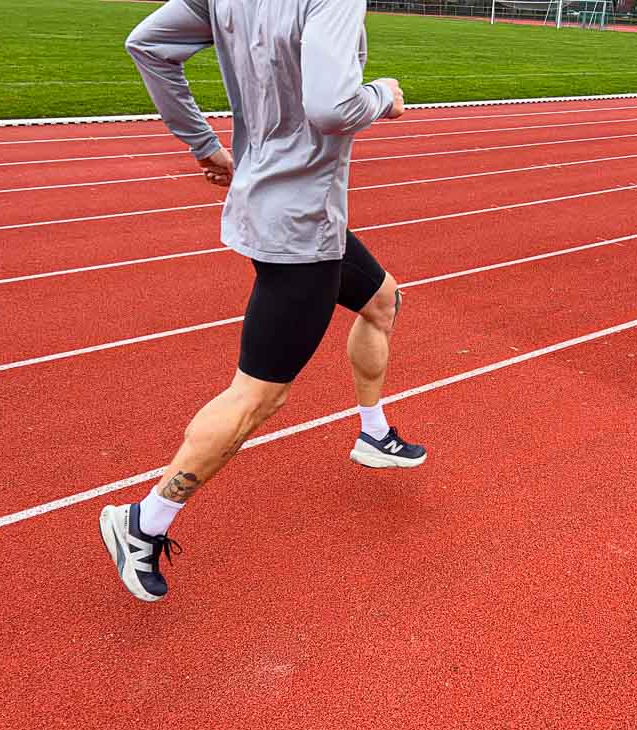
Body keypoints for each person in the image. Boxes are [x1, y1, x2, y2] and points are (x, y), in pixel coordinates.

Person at [99, 0, 426, 603]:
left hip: (289, 212)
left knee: (381, 299)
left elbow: (146, 45)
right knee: (257, 395)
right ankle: (143, 522)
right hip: (299, 230)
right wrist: (384, 94)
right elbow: (333, 108)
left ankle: (372, 433)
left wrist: (202, 145)